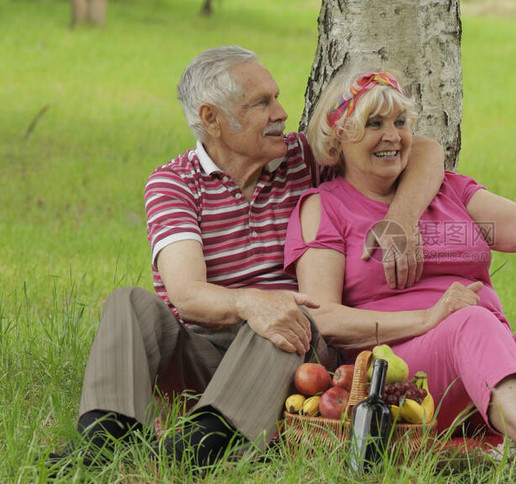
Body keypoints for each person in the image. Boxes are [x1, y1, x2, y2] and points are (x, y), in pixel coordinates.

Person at [45, 47, 444, 469]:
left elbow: (424, 150)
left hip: (292, 353)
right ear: (212, 118)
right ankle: (105, 438)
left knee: (289, 316)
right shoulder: (174, 183)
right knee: (129, 302)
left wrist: (401, 218)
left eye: (276, 97)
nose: (283, 112)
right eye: (262, 103)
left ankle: (201, 446)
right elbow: (186, 294)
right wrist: (249, 303)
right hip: (205, 350)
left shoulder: (302, 158)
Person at [282, 70, 516, 483]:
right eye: (373, 124)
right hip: (406, 376)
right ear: (338, 138)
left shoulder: (448, 190)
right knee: (470, 320)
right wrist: (431, 317)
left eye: (400, 123)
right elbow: (324, 318)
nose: (392, 136)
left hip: (491, 361)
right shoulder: (324, 208)